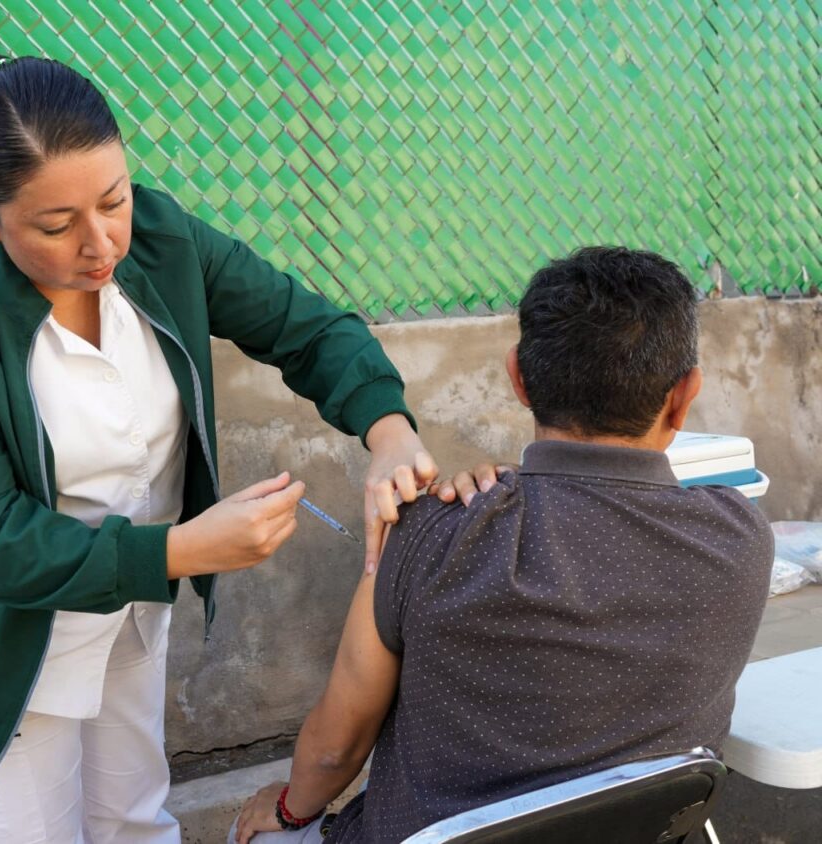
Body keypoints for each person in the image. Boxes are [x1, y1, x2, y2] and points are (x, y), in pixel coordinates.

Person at [0, 54, 491, 844]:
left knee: (133, 819)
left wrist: (389, 430)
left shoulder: (162, 241)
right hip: (3, 638)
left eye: (114, 200)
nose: (101, 244)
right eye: (56, 226)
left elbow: (307, 328)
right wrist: (176, 549)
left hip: (131, 608)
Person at [234, 246, 774, 843]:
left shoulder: (429, 534)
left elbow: (335, 753)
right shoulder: (741, 537)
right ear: (685, 394)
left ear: (518, 377)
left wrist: (285, 812)